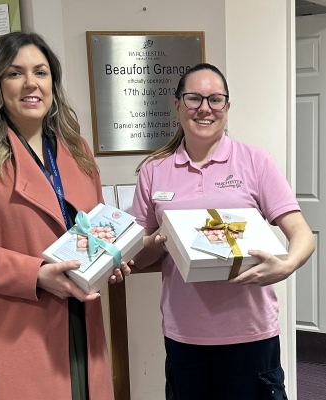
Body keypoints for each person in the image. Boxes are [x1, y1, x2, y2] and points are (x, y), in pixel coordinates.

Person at [0, 31, 128, 400]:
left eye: (40, 72)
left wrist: (110, 260)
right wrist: (35, 275)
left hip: (81, 326)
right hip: (14, 332)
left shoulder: (75, 148)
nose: (30, 84)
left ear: (53, 81)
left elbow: (97, 228)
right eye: (15, 73)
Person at [132, 63, 315, 400]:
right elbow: (139, 256)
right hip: (184, 335)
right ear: (177, 105)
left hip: (250, 333)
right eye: (194, 99)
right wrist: (159, 240)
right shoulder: (153, 171)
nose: (205, 108)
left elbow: (303, 234)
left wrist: (286, 264)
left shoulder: (256, 162)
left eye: (215, 100)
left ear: (227, 108)